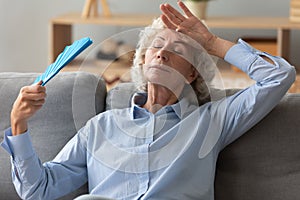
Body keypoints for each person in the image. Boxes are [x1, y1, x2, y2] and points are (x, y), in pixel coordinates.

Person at [1, 1, 296, 200]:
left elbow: (279, 76)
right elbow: (37, 189)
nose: (162, 53)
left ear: (192, 73)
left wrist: (211, 43)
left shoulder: (210, 121)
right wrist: (19, 123)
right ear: (142, 61)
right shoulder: (100, 127)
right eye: (156, 46)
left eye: (177, 48)